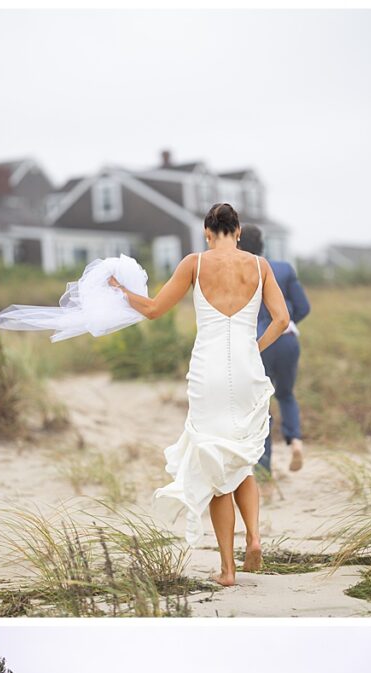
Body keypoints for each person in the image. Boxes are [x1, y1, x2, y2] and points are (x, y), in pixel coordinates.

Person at [109, 202, 290, 587]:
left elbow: (155, 309)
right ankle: (254, 537)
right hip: (246, 368)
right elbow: (283, 319)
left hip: (207, 371)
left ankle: (228, 571)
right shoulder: (260, 266)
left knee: (214, 463)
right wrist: (254, 349)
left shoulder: (194, 262)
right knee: (241, 458)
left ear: (207, 233)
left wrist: (123, 293)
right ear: (238, 231)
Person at [237, 224, 310, 475]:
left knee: (260, 402)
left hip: (258, 345)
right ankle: (296, 442)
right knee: (287, 394)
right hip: (288, 339)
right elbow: (303, 307)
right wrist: (286, 325)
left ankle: (264, 464)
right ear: (262, 246)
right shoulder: (284, 269)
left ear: (239, 245)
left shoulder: (237, 272)